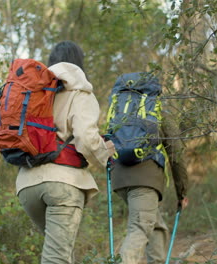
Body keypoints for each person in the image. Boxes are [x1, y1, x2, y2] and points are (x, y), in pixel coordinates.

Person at [15, 41, 115, 264]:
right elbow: (86, 138)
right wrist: (105, 154)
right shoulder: (80, 92)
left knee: (60, 251)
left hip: (27, 184)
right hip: (62, 184)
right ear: (79, 63)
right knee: (57, 257)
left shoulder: (34, 91)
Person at [109, 80, 189, 264]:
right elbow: (176, 153)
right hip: (146, 180)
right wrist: (182, 192)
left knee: (156, 225)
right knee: (139, 227)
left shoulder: (119, 112)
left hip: (120, 179)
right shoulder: (158, 112)